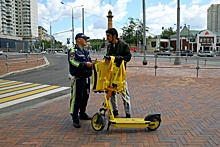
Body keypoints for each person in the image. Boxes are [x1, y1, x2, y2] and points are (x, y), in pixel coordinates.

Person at [105, 28, 132, 118]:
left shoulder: (124, 45)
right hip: (111, 73)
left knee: (124, 93)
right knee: (111, 92)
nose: (107, 37)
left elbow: (128, 57)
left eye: (108, 36)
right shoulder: (109, 46)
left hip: (120, 73)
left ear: (114, 36)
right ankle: (115, 110)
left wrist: (117, 58)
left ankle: (128, 113)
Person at [68, 33, 93, 128]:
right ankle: (75, 117)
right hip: (78, 79)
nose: (86, 40)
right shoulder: (73, 51)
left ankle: (82, 113)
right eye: (84, 39)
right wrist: (84, 64)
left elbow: (89, 62)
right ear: (78, 40)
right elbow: (73, 62)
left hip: (86, 78)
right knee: (77, 98)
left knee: (85, 97)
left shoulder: (85, 52)